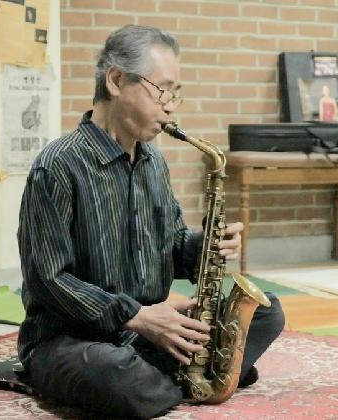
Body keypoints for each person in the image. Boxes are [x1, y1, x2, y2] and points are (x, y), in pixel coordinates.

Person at [16, 25, 284, 419]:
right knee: (119, 376)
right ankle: (198, 374)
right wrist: (135, 316)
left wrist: (205, 247)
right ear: (116, 81)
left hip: (150, 332)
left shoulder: (154, 161)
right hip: (71, 340)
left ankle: (181, 375)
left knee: (268, 311)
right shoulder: (58, 165)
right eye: (163, 90)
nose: (171, 107)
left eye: (176, 94)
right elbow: (48, 279)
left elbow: (171, 248)